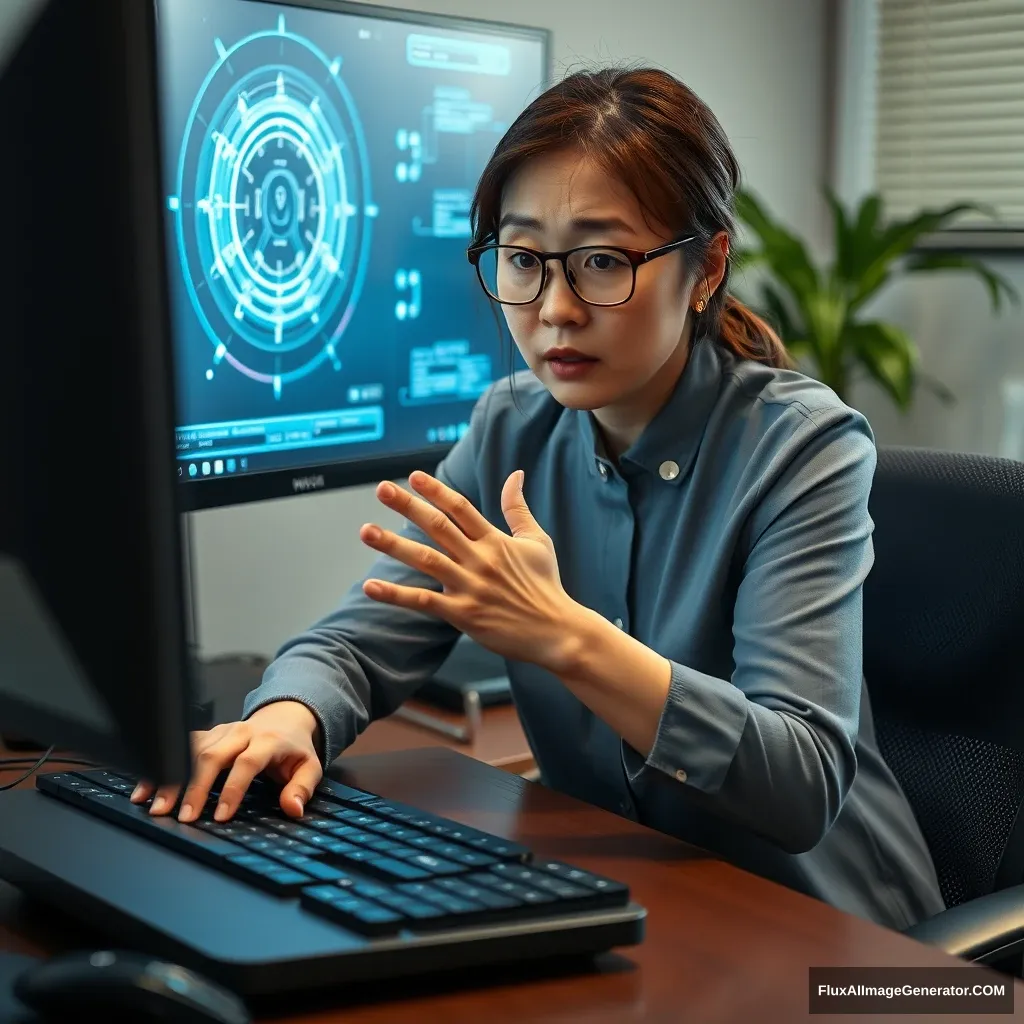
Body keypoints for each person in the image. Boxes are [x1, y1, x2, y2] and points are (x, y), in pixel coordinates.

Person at [133, 66, 945, 931]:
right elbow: (361, 637)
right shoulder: (511, 426)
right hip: (640, 908)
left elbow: (801, 783)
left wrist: (563, 635)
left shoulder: (803, 447)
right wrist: (291, 712)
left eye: (602, 262)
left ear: (705, 268)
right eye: (523, 260)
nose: (555, 309)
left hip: (838, 942)